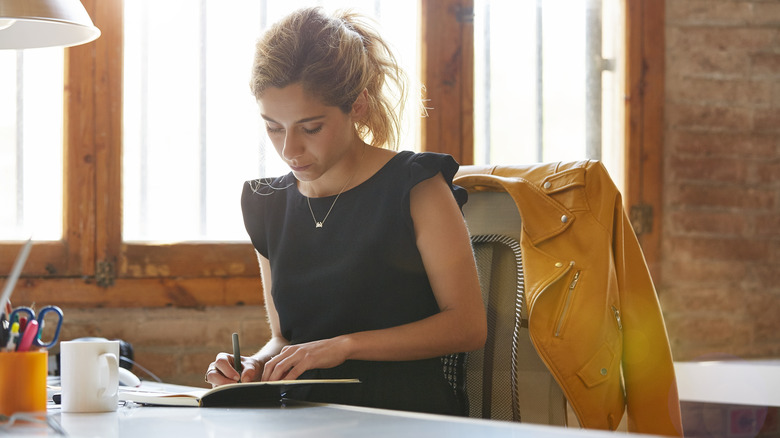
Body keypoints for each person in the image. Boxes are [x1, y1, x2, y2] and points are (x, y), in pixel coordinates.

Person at [205, 7, 486, 416]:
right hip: (301, 418)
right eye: (273, 126)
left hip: (404, 416)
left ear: (357, 106)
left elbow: (467, 326)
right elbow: (285, 338)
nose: (289, 150)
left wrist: (345, 346)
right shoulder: (265, 203)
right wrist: (252, 366)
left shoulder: (416, 186)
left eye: (311, 127)